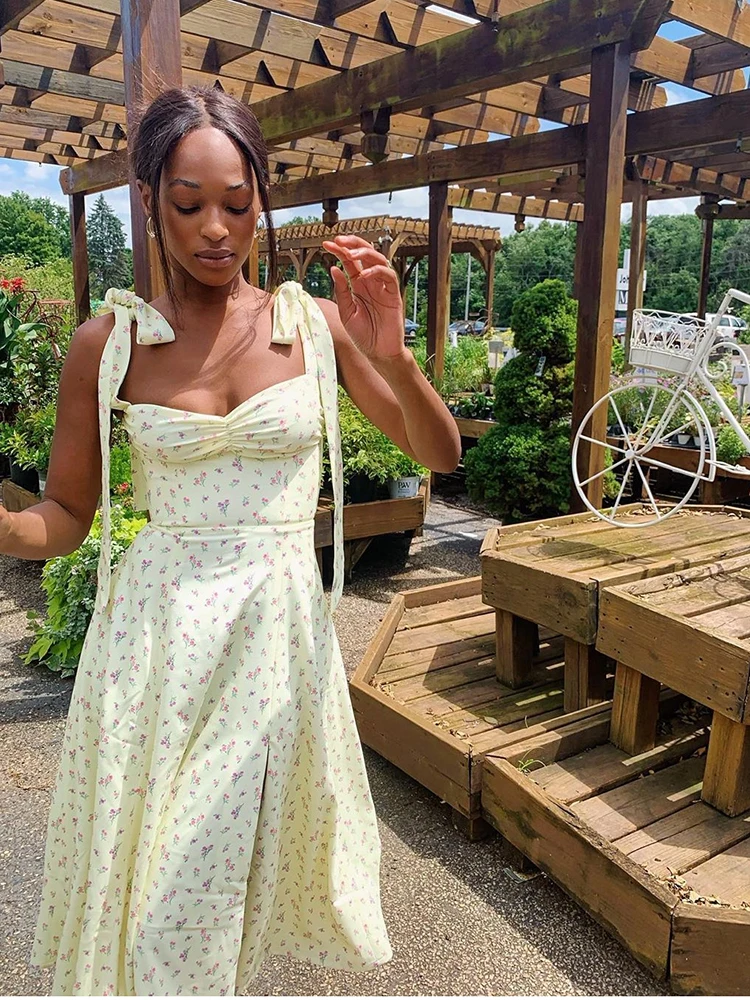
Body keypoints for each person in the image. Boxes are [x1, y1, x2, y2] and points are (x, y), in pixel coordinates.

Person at [1, 85, 461, 996]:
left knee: (211, 884)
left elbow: (437, 452)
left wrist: (396, 358)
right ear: (149, 200)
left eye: (238, 205)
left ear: (261, 201)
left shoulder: (313, 325)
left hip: (273, 644)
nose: (216, 229)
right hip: (154, 647)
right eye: (188, 205)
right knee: (162, 894)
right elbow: (64, 517)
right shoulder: (108, 343)